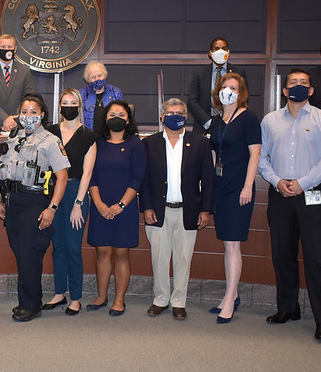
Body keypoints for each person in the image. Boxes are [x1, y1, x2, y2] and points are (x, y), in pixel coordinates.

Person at [258, 68, 321, 342]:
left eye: (303, 83)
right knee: (283, 255)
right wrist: (278, 181)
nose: (298, 87)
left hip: (312, 194)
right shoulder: (270, 120)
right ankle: (287, 309)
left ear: (312, 90)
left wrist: (302, 183)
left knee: (317, 259)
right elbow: (262, 159)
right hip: (279, 194)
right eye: (293, 83)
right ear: (284, 90)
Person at [0, 94, 69, 322]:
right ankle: (28, 301)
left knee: (30, 256)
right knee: (21, 255)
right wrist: (0, 201)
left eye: (33, 112)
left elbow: (63, 176)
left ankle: (31, 305)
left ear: (42, 114)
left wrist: (52, 208)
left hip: (35, 204)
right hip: (12, 203)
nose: (29, 117)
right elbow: (4, 171)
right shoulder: (13, 138)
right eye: (24, 112)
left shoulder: (51, 141)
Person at [140, 98, 214, 320]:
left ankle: (179, 301)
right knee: (159, 258)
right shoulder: (149, 143)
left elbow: (209, 180)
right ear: (162, 117)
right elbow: (143, 180)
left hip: (188, 210)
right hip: (158, 211)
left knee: (183, 258)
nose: (175, 116)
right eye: (170, 113)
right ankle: (160, 299)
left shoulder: (200, 143)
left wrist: (206, 210)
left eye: (180, 113)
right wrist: (146, 207)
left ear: (186, 116)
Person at [208, 73, 261, 323]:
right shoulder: (217, 120)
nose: (227, 91)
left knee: (232, 245)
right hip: (221, 186)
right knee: (227, 244)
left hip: (239, 187)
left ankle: (230, 299)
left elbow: (255, 154)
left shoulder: (249, 118)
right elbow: (213, 154)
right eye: (224, 87)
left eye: (233, 88)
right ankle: (232, 294)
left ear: (241, 93)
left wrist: (248, 186)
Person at [85, 100, 146, 317]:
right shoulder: (98, 142)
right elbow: (91, 174)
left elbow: (138, 178)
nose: (116, 117)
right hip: (100, 205)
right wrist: (99, 204)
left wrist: (120, 205)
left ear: (128, 118)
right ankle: (101, 296)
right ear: (105, 118)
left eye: (121, 114)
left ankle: (119, 299)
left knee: (121, 253)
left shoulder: (135, 144)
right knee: (102, 252)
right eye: (112, 114)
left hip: (125, 207)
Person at [42, 88, 97, 315]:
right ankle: (59, 293)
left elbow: (87, 173)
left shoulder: (87, 135)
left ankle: (75, 297)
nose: (69, 106)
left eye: (73, 102)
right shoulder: (50, 131)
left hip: (76, 192)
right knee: (58, 247)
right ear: (59, 107)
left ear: (80, 106)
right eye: (65, 102)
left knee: (73, 248)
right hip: (54, 191)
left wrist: (78, 203)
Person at [188, 37, 248, 132]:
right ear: (210, 53)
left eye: (224, 48)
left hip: (231, 125)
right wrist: (209, 123)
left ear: (228, 52)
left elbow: (244, 99)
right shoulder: (199, 73)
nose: (220, 51)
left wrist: (232, 121)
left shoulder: (239, 72)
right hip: (204, 126)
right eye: (216, 48)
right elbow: (192, 101)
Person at [0, 34, 35, 132]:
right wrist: (4, 119)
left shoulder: (24, 71)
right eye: (3, 47)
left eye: (10, 47)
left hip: (18, 124)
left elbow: (28, 97)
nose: (6, 49)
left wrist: (13, 120)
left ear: (15, 49)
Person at [78, 61, 123, 130]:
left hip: (110, 135)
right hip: (88, 135)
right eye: (93, 77)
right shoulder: (81, 94)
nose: (97, 79)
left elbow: (120, 116)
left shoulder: (115, 92)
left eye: (99, 76)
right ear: (88, 80)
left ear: (105, 75)